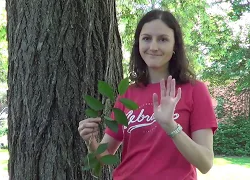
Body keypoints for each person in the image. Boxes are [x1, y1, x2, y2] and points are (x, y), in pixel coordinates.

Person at [78, 9, 218, 180]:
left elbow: (205, 163)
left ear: (175, 45)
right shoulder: (128, 94)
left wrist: (170, 126)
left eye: (163, 39)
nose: (153, 47)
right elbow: (105, 157)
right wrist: (91, 141)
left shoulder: (194, 90)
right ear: (138, 44)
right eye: (146, 38)